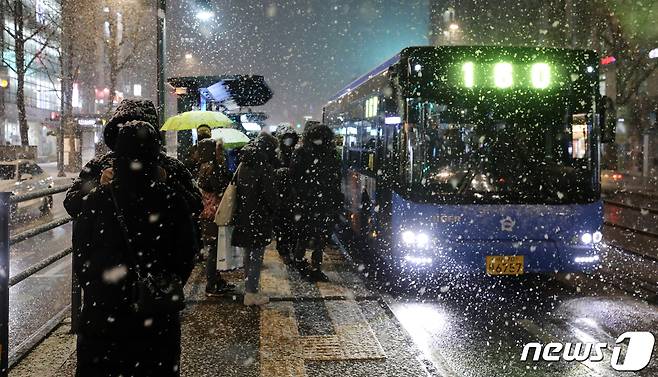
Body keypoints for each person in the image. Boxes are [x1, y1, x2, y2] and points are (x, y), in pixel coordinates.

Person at [73, 121, 198, 376]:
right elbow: (186, 256)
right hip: (155, 319)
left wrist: (102, 292)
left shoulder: (97, 199)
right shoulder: (171, 201)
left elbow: (81, 257)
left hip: (103, 320)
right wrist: (159, 286)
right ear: (155, 155)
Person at [64, 99, 202, 219]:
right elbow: (72, 204)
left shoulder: (171, 166)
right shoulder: (99, 165)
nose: (132, 139)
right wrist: (98, 183)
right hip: (144, 245)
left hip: (124, 245)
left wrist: (168, 179)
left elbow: (196, 204)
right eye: (126, 131)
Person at [231, 133, 279, 306]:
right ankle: (251, 293)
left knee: (248, 253)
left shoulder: (243, 163)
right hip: (258, 216)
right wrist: (275, 208)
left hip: (244, 214)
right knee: (257, 255)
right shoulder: (263, 166)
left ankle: (248, 286)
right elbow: (270, 195)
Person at [291, 123, 342, 282]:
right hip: (324, 203)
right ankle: (316, 268)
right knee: (320, 237)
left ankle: (299, 262)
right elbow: (336, 179)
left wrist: (299, 197)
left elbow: (294, 178)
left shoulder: (300, 153)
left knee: (303, 234)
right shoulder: (331, 154)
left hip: (306, 202)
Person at [197, 138, 234, 296]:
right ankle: (212, 284)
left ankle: (215, 280)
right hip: (214, 214)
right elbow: (220, 188)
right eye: (219, 150)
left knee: (214, 248)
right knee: (214, 249)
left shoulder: (204, 167)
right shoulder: (213, 169)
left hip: (208, 214)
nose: (221, 153)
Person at [273, 124, 300, 263]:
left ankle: (292, 249)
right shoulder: (276, 154)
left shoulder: (297, 154)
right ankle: (284, 251)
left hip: (293, 197)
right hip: (281, 197)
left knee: (293, 226)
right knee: (282, 226)